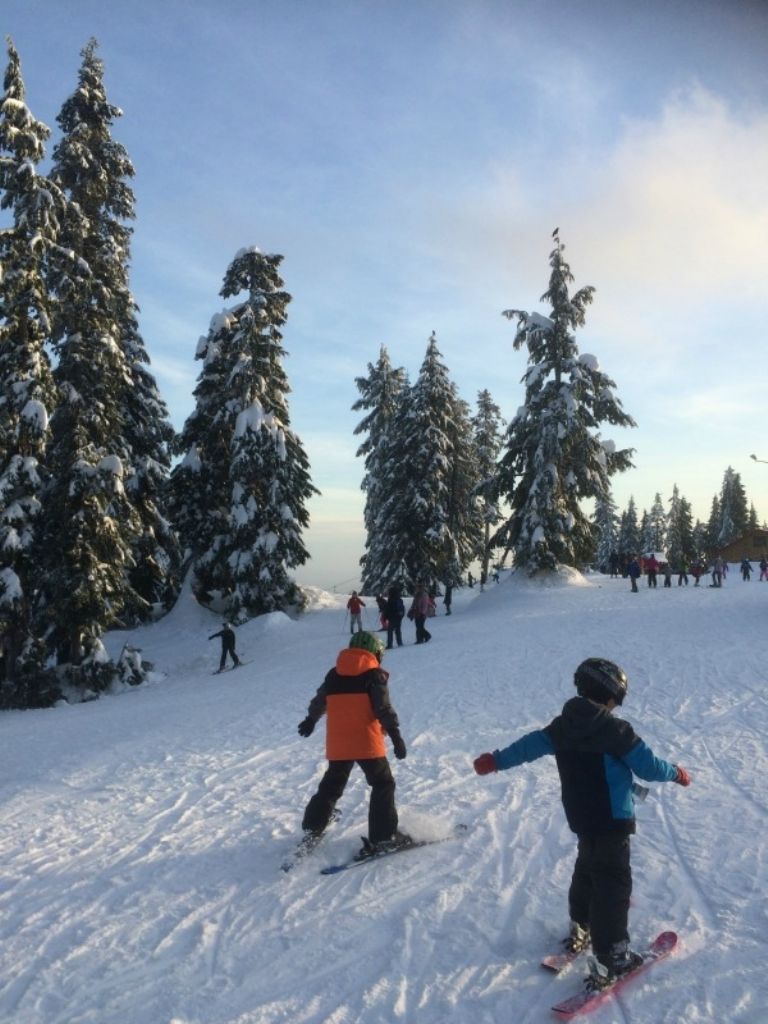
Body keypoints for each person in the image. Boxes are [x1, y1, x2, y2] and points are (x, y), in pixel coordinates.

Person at [473, 657, 691, 990]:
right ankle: (612, 957)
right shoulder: (615, 731)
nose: (615, 708)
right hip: (613, 819)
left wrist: (496, 760)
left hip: (582, 817)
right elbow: (647, 767)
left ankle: (581, 925)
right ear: (608, 695)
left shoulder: (561, 727)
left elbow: (528, 746)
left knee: (587, 868)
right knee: (613, 885)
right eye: (615, 701)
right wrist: (675, 772)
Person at [297, 631, 409, 855]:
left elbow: (320, 701)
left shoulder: (333, 675)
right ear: (375, 652)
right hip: (367, 742)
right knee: (383, 784)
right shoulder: (373, 675)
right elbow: (383, 709)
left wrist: (310, 720)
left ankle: (313, 827)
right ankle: (384, 837)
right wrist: (396, 737)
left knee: (332, 785)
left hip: (339, 743)